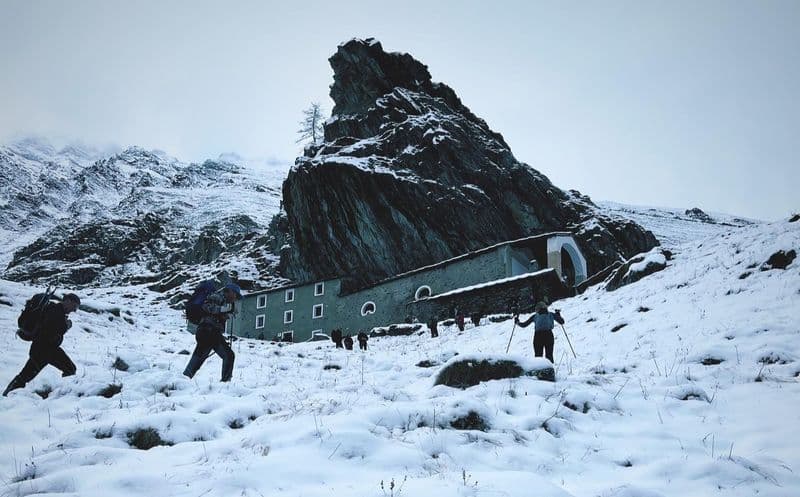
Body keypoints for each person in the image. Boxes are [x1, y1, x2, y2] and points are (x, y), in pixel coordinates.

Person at [4, 293, 81, 396]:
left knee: (24, 376)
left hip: (43, 350)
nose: (74, 310)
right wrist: (66, 326)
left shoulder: (54, 310)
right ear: (67, 301)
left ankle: (7, 394)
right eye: (74, 306)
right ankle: (64, 396)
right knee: (70, 369)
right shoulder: (56, 312)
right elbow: (50, 333)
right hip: (44, 351)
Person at [183, 283, 241, 382]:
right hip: (210, 331)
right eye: (236, 295)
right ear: (230, 291)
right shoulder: (217, 296)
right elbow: (207, 307)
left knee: (198, 358)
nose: (235, 298)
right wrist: (224, 310)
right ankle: (225, 383)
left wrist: (223, 314)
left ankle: (182, 380)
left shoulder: (222, 300)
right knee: (229, 355)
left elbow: (211, 313)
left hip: (204, 331)